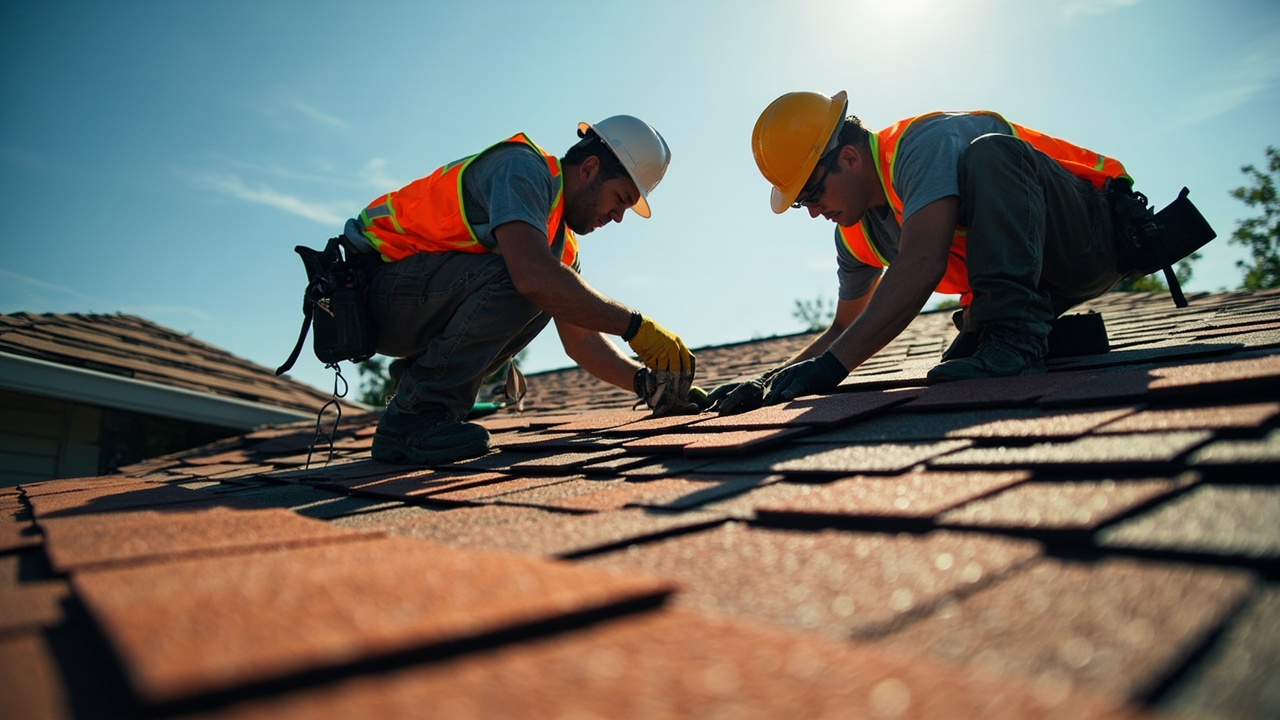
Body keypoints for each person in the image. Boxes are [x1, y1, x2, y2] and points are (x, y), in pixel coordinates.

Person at [732, 90, 1147, 409]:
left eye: (812, 192)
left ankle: (1015, 337)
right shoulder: (855, 233)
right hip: (1037, 279)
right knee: (954, 372)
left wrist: (832, 369)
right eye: (802, 203)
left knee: (991, 152)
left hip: (1090, 238)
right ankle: (1012, 324)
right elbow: (844, 330)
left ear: (849, 157)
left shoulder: (921, 147)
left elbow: (922, 262)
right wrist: (771, 380)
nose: (813, 211)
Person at [344, 115, 694, 464]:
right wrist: (635, 326)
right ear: (589, 168)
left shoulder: (558, 241)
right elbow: (532, 277)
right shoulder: (522, 168)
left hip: (411, 303)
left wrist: (650, 385)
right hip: (368, 292)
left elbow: (582, 342)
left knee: (556, 289)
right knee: (538, 282)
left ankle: (420, 403)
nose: (618, 216)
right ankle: (416, 415)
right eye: (620, 198)